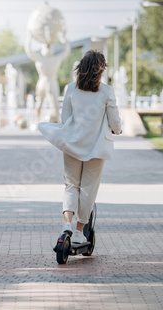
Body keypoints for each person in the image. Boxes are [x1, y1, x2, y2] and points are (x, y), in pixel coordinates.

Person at [38, 50, 122, 244]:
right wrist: (117, 129)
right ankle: (78, 231)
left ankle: (66, 223)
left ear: (81, 68)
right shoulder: (107, 91)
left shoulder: (70, 88)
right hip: (96, 149)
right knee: (88, 190)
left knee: (71, 185)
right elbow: (115, 122)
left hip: (72, 146)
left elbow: (65, 118)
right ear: (100, 71)